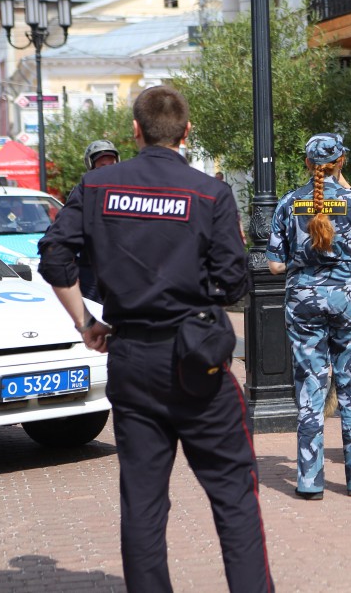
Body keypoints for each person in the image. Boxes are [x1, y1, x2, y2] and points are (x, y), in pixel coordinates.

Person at [37, 85, 273, 592]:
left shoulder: (99, 186)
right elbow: (234, 282)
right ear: (186, 133)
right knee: (233, 494)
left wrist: (86, 324)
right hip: (198, 362)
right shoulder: (209, 192)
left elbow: (55, 258)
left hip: (131, 358)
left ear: (137, 132)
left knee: (143, 500)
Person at [266, 133, 351, 499]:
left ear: (307, 164)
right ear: (341, 161)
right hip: (350, 301)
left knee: (310, 388)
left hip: (303, 302)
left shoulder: (288, 202)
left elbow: (273, 264)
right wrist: (344, 185)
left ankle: (309, 482)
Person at [77, 139, 120, 302]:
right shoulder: (83, 192)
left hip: (119, 268)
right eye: (102, 165)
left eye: (111, 164)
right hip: (92, 269)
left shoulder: (125, 190)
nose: (107, 169)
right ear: (91, 165)